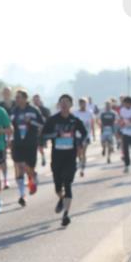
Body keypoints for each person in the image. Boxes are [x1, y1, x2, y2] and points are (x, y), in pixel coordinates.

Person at [41, 94, 88, 227]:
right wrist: (56, 135)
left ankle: (66, 214)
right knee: (58, 187)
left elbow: (84, 133)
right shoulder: (53, 120)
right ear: (59, 104)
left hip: (70, 156)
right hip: (57, 157)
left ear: (71, 105)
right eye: (62, 102)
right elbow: (44, 135)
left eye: (67, 102)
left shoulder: (75, 120)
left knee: (67, 184)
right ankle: (61, 199)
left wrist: (79, 141)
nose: (64, 104)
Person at [8, 89, 45, 207]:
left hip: (30, 143)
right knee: (19, 166)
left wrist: (31, 122)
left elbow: (42, 124)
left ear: (25, 98)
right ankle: (22, 195)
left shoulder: (34, 110)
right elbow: (9, 126)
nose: (16, 99)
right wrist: (8, 139)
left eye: (18, 97)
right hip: (17, 143)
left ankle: (33, 175)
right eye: (16, 97)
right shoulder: (14, 111)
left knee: (28, 167)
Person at [72, 97, 95, 177]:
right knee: (78, 152)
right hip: (77, 135)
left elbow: (92, 124)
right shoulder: (75, 113)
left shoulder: (89, 113)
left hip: (86, 135)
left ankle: (82, 168)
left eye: (84, 103)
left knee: (83, 151)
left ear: (86, 104)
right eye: (81, 103)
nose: (82, 104)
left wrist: (93, 134)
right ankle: (80, 162)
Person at [32, 94, 51, 167]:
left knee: (40, 147)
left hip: (42, 131)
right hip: (32, 131)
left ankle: (43, 157)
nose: (36, 101)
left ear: (39, 100)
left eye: (37, 100)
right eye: (34, 100)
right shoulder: (31, 109)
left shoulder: (45, 110)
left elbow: (48, 120)